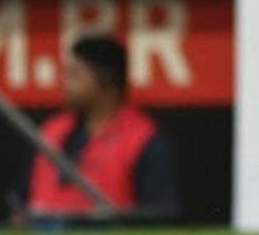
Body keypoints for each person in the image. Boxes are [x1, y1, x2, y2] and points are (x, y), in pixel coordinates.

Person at [22, 36, 179, 222]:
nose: (65, 82)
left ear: (107, 81)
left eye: (76, 74)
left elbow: (160, 216)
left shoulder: (144, 140)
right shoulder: (51, 132)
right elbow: (21, 200)